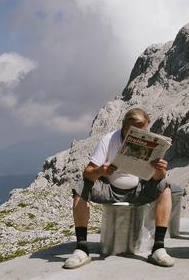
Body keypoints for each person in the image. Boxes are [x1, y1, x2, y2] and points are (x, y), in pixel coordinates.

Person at [64, 108, 176, 269]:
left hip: (138, 189)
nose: (140, 133)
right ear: (124, 125)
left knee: (165, 187)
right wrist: (100, 171)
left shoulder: (151, 142)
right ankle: (81, 248)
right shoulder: (108, 140)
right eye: (135, 130)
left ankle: (158, 248)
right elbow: (87, 174)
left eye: (143, 130)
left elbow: (158, 179)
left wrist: (160, 170)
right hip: (110, 189)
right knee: (80, 187)